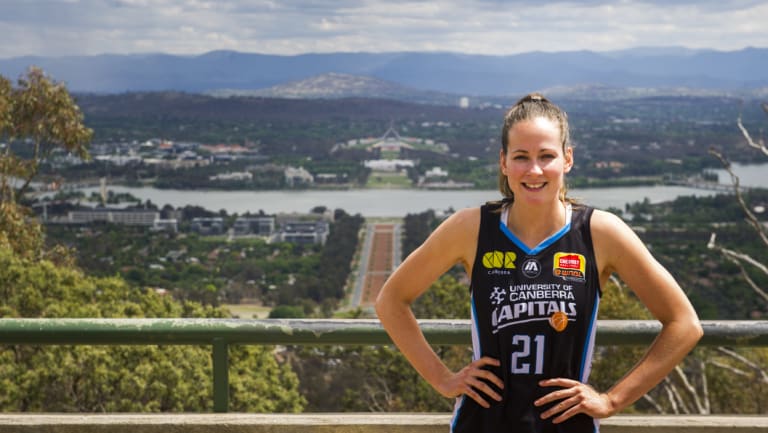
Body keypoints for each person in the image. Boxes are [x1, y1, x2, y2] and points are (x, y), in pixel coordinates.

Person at [375, 93, 703, 433]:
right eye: (521, 157)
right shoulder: (472, 228)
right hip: (483, 424)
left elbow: (684, 324)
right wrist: (442, 379)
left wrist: (612, 400)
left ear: (567, 158)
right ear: (503, 162)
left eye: (546, 156)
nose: (534, 170)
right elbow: (391, 301)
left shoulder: (599, 232)